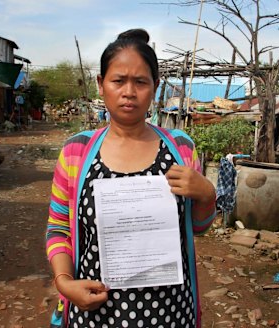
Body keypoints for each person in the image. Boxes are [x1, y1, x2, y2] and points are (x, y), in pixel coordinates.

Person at [46, 28, 216, 328]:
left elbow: (198, 228)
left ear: (155, 86)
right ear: (100, 84)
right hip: (96, 312)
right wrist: (64, 282)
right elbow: (59, 229)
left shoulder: (180, 149)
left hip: (170, 312)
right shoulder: (77, 152)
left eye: (140, 82)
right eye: (118, 81)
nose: (129, 92)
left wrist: (206, 194)